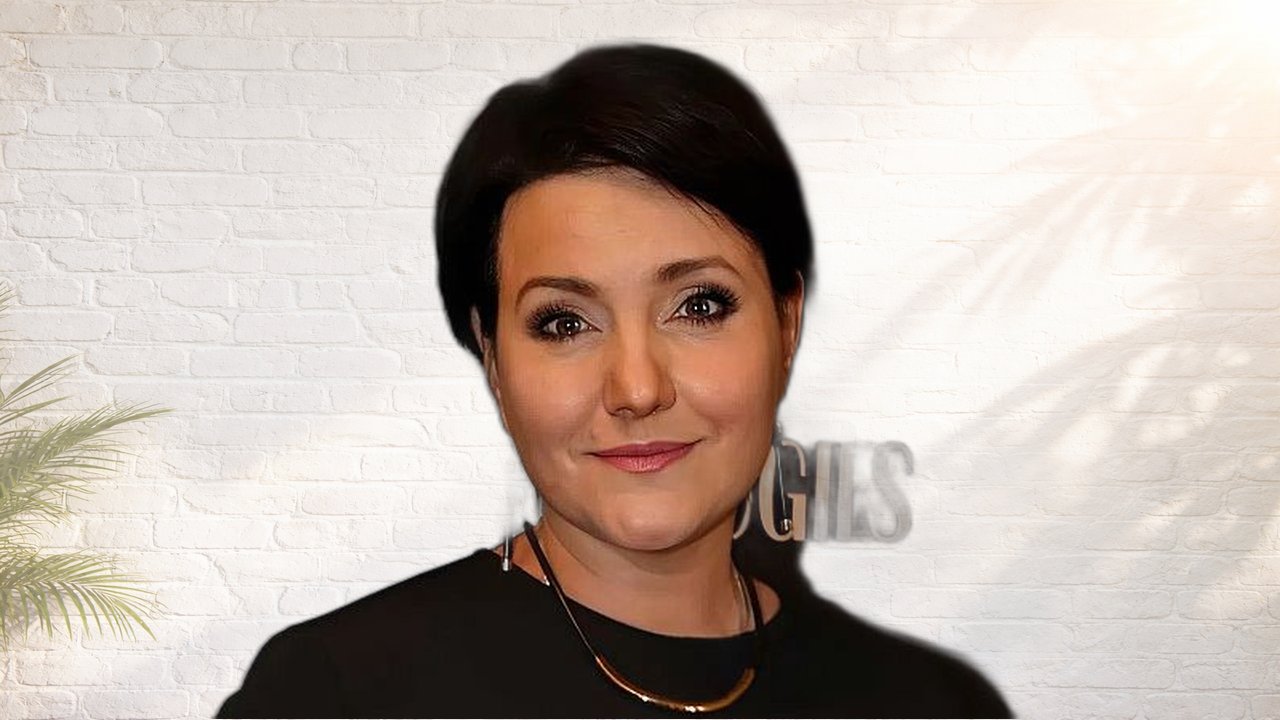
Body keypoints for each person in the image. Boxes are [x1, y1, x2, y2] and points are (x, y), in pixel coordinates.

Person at [217, 43, 1013, 718]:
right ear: (491, 354)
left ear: (787, 324)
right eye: (565, 322)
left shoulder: (929, 702)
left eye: (699, 306)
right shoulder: (336, 691)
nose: (636, 389)